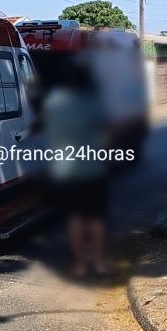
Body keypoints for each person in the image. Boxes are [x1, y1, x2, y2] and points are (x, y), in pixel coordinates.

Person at [40, 59, 110, 279]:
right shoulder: (91, 102)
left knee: (75, 217)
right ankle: (98, 262)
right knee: (96, 217)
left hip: (65, 168)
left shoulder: (52, 102)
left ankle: (79, 264)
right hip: (91, 166)